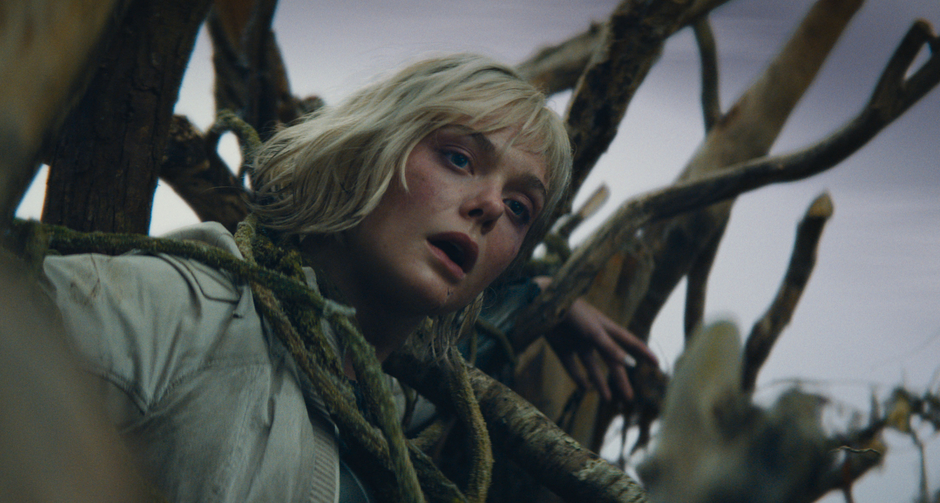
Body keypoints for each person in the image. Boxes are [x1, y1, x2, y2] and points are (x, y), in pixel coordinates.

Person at [39, 53, 656, 502]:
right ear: (366, 150)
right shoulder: (185, 314)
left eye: (519, 208)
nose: (492, 206)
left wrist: (539, 298)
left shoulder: (384, 403)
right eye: (459, 158)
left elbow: (459, 352)